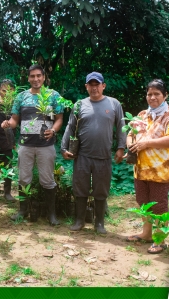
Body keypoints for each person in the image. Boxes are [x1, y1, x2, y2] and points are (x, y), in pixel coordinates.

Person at [61, 72, 126, 234]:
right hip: (82, 155)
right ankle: (79, 221)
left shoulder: (113, 104)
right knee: (80, 188)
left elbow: (121, 126)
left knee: (101, 190)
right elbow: (70, 127)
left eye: (97, 84)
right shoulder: (79, 105)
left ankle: (99, 223)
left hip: (103, 156)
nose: (94, 87)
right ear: (86, 87)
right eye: (91, 84)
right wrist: (63, 148)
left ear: (103, 86)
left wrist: (121, 148)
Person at [124, 79, 169, 254]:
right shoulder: (142, 115)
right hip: (140, 169)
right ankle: (146, 234)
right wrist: (131, 147)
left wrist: (147, 144)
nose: (152, 97)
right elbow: (130, 134)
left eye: (157, 94)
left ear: (165, 95)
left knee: (158, 206)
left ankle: (160, 239)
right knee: (143, 202)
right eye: (149, 94)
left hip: (160, 170)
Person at [1, 64, 64, 225]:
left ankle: (52, 215)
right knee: (23, 178)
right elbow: (15, 119)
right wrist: (8, 123)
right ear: (28, 78)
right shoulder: (21, 97)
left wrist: (54, 131)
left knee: (47, 180)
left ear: (43, 77)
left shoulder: (53, 95)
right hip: (26, 144)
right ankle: (23, 210)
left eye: (38, 76)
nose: (35, 79)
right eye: (32, 76)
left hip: (46, 145)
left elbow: (59, 119)